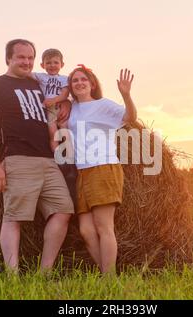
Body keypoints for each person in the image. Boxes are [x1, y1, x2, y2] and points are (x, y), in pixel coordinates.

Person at [0, 39, 75, 274]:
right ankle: (12, 276)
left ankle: (45, 272)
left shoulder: (37, 83)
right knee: (14, 217)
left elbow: (59, 93)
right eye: (21, 57)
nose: (27, 62)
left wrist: (66, 105)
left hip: (48, 159)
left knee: (64, 210)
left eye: (30, 58)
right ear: (8, 59)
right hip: (18, 158)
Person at [66, 65, 137, 273]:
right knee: (86, 231)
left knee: (104, 227)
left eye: (83, 80)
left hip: (103, 167)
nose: (79, 83)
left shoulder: (103, 105)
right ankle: (107, 275)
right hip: (82, 171)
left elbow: (129, 117)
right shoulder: (72, 108)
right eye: (75, 81)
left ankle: (109, 279)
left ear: (92, 84)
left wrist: (126, 95)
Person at [30, 48, 77, 204]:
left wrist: (55, 100)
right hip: (48, 111)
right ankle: (58, 158)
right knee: (52, 133)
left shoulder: (64, 78)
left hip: (57, 106)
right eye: (48, 62)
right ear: (42, 65)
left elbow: (64, 94)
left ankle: (70, 158)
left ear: (62, 64)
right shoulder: (41, 77)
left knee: (64, 129)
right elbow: (27, 74)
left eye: (55, 62)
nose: (52, 65)